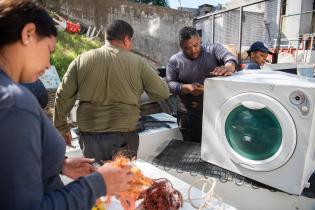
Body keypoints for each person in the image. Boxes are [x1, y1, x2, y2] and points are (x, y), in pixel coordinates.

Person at [0, 1, 134, 209]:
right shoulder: (15, 103)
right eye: (49, 50)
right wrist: (99, 184)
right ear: (28, 33)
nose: (48, 65)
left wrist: (59, 165)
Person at [53, 20, 169, 163]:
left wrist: (61, 127)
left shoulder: (81, 59)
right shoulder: (138, 62)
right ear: (126, 39)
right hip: (124, 136)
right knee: (123, 180)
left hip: (89, 137)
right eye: (131, 41)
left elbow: (62, 95)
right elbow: (162, 93)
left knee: (96, 179)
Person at [166, 26, 237, 143]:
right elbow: (170, 84)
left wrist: (228, 67)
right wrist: (186, 88)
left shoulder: (213, 50)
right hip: (188, 112)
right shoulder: (175, 60)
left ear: (200, 40)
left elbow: (230, 58)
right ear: (180, 45)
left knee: (216, 143)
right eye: (187, 48)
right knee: (191, 144)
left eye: (196, 45)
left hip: (216, 110)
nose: (193, 50)